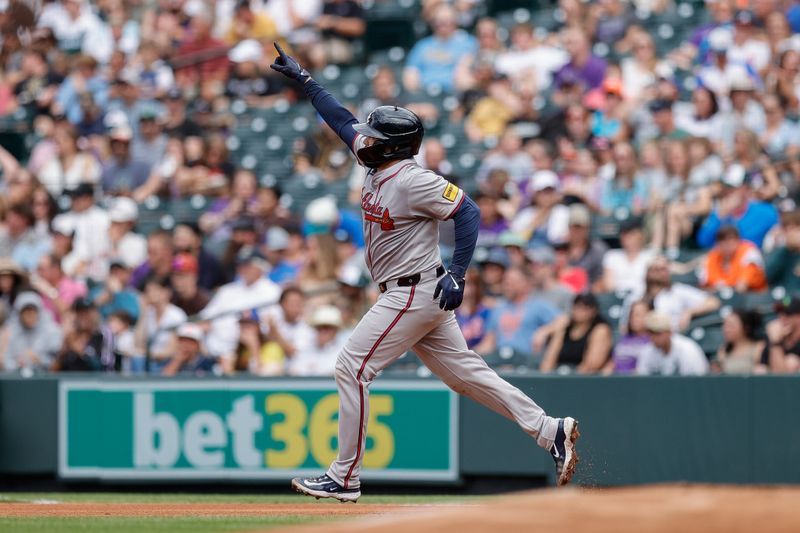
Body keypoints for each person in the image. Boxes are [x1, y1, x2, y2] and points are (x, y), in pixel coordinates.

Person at [270, 43, 580, 500]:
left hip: (414, 292)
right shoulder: (376, 157)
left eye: (375, 136)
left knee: (352, 366)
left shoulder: (414, 179)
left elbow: (468, 212)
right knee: (464, 375)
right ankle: (549, 429)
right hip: (415, 291)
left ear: (395, 146)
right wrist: (306, 81)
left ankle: (344, 476)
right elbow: (340, 120)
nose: (366, 138)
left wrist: (460, 272)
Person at [624, 255, 721, 332]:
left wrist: (689, 312)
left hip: (672, 339)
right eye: (655, 268)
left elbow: (713, 302)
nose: (658, 273)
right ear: (647, 272)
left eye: (663, 269)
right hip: (641, 340)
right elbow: (624, 325)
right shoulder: (636, 295)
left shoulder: (679, 291)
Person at [539, 293, 613, 373]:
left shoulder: (600, 330)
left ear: (593, 311)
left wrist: (571, 378)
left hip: (583, 380)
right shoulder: (564, 328)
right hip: (559, 376)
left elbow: (592, 365)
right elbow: (546, 366)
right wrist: (559, 332)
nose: (579, 311)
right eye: (576, 306)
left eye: (585, 307)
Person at [0, 292, 62, 373]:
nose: (30, 315)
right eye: (26, 311)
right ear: (19, 313)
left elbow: (57, 361)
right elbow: (4, 361)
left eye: (33, 311)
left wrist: (39, 360)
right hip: (16, 379)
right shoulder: (10, 331)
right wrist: (16, 364)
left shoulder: (52, 331)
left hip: (44, 379)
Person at [637, 311, 710, 375]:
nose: (653, 337)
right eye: (650, 333)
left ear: (669, 332)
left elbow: (695, 382)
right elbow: (642, 380)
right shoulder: (647, 351)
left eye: (657, 333)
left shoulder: (687, 349)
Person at [699, 226, 767, 292]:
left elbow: (741, 288)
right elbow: (704, 287)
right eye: (723, 241)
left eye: (730, 240)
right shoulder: (711, 257)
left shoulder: (749, 254)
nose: (727, 245)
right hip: (721, 298)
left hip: (752, 297)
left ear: (738, 241)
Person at [289, 305, 349, 376]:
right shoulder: (307, 351)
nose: (322, 331)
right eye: (319, 328)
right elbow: (295, 371)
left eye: (326, 328)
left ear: (335, 330)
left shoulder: (343, 354)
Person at [602, 217, 655, 295]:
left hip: (643, 299)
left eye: (631, 233)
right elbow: (609, 286)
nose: (627, 237)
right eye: (624, 234)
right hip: (618, 300)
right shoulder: (612, 255)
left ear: (640, 235)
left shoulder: (650, 256)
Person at [603, 300, 652, 375]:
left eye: (639, 315)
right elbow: (613, 362)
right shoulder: (624, 338)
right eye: (632, 314)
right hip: (616, 381)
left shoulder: (653, 340)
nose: (634, 319)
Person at [715, 309, 767, 375]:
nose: (726, 330)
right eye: (725, 325)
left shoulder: (759, 348)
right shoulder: (723, 351)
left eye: (731, 326)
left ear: (746, 327)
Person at [765, 210, 800, 294]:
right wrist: (786, 248)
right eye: (787, 230)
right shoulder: (782, 253)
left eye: (794, 229)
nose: (791, 234)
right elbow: (769, 277)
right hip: (785, 301)